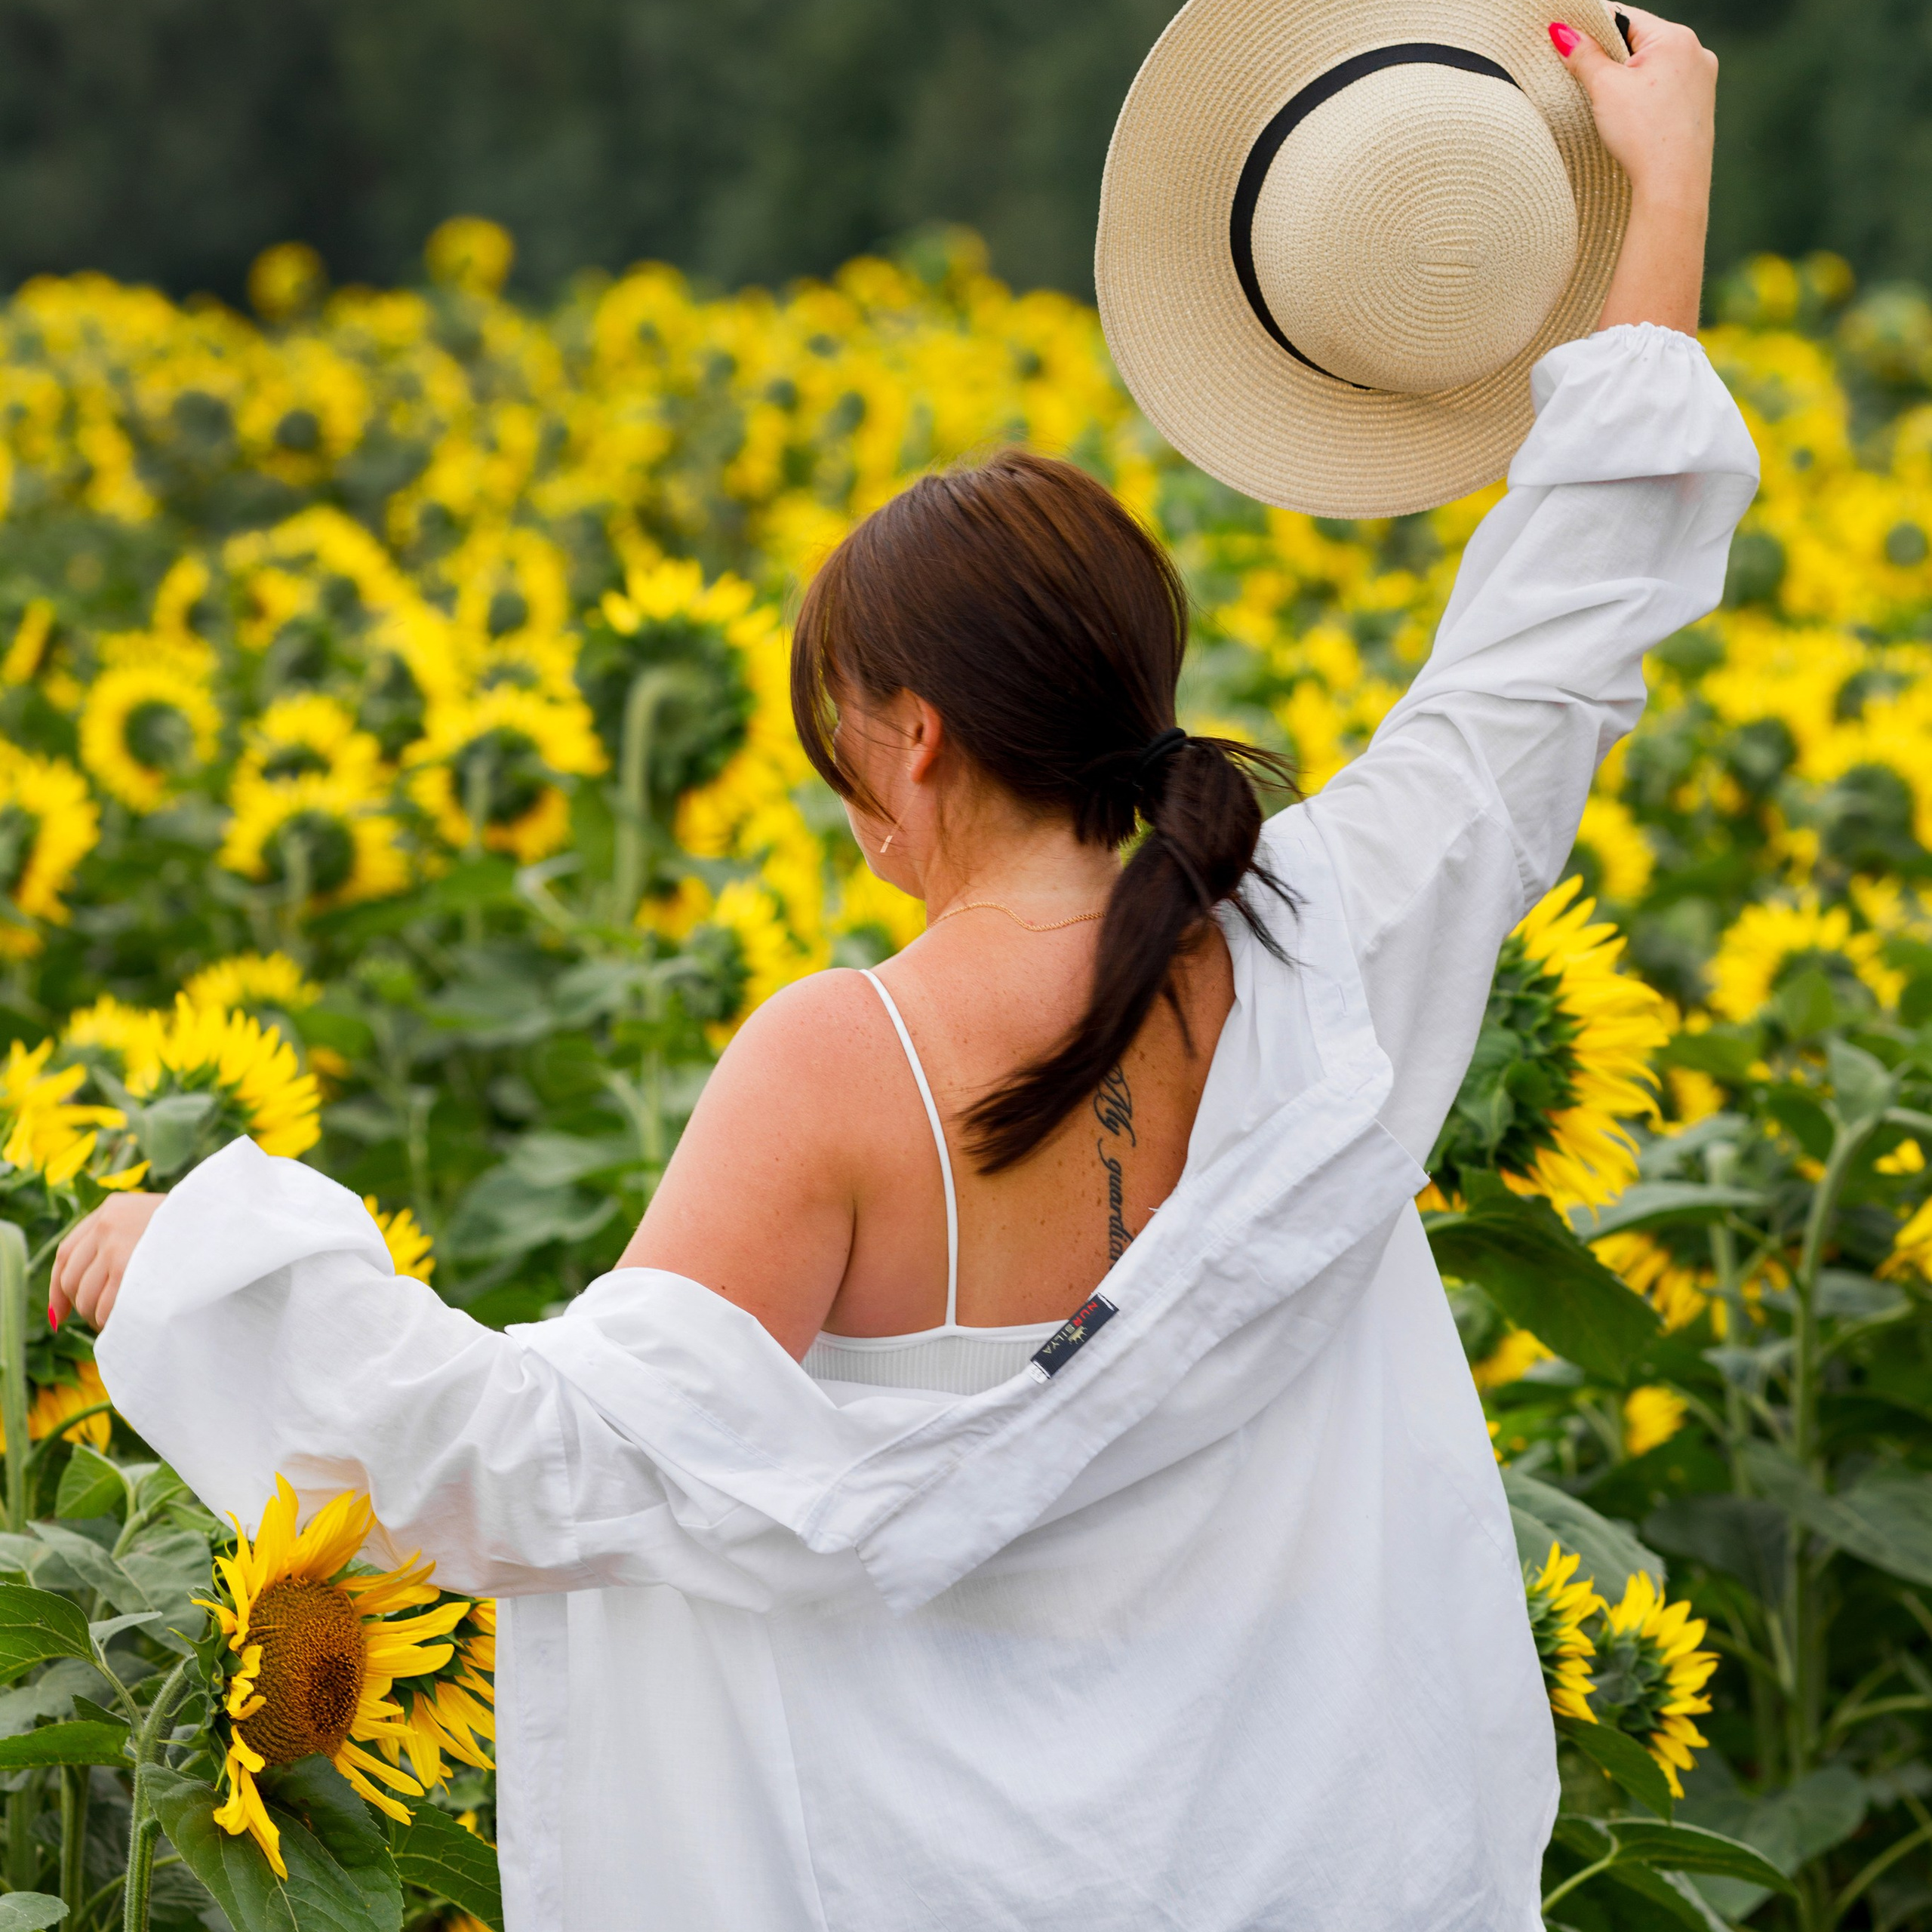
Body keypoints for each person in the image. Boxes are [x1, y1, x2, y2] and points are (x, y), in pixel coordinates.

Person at [53, 8, 1752, 1927]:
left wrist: (202, 1263)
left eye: (831, 738)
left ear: (915, 736)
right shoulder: (1325, 943)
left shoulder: (836, 1060)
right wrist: (1661, 159)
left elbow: (549, 1466)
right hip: (1310, 1863)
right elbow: (1566, 606)